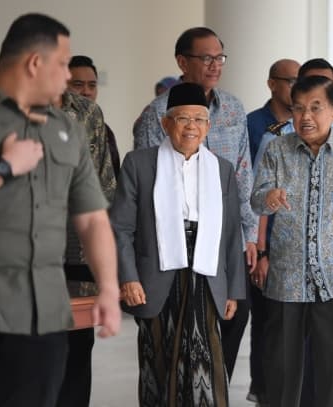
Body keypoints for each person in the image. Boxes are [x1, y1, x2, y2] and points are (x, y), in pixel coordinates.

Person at [0, 13, 121, 407]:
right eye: (62, 64)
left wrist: (107, 286)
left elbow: (91, 216)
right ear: (35, 62)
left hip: (43, 313)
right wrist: (2, 168)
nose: (68, 75)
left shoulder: (67, 128)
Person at [133, 26, 257, 380]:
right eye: (206, 58)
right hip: (173, 240)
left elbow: (243, 172)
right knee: (175, 333)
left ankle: (214, 386)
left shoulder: (232, 108)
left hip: (224, 237)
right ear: (182, 62)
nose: (215, 65)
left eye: (220, 57)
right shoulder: (157, 115)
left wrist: (249, 233)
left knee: (235, 314)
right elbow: (145, 185)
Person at [252, 75, 333, 407]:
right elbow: (255, 200)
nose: (305, 117)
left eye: (315, 108)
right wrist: (269, 198)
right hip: (286, 281)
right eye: (298, 108)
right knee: (281, 376)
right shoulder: (277, 150)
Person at [111, 82, 246, 407]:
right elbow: (119, 227)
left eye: (199, 120)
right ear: (166, 123)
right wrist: (128, 277)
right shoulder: (139, 163)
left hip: (206, 273)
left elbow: (231, 234)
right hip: (156, 274)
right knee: (158, 361)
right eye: (183, 119)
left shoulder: (222, 170)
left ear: (208, 126)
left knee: (207, 361)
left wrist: (234, 290)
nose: (191, 127)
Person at [55, 89, 116, 406]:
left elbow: (105, 187)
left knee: (77, 351)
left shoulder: (88, 113)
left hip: (78, 250)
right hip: (26, 257)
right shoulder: (5, 108)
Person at [245, 57, 299, 405]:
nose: (296, 86)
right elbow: (249, 185)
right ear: (272, 83)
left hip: (293, 241)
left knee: (287, 324)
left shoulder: (308, 125)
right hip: (263, 234)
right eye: (289, 80)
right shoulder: (253, 126)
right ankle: (262, 389)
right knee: (264, 319)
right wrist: (257, 245)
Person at [68, 55, 121, 176]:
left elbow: (112, 177)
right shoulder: (52, 124)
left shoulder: (104, 130)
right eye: (78, 85)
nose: (87, 92)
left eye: (92, 85)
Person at [247, 58, 300, 163]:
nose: (298, 89)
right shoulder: (250, 124)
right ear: (272, 84)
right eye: (293, 82)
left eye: (301, 82)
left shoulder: (305, 124)